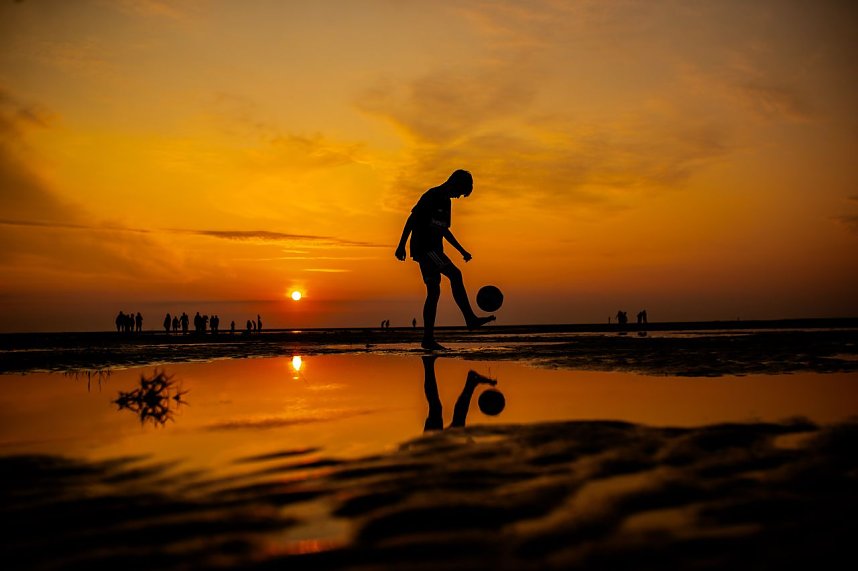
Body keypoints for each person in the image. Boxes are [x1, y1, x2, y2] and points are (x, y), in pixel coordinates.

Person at [395, 169, 495, 350]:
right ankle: (470, 319)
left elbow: (443, 230)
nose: (458, 197)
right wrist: (401, 245)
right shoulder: (432, 196)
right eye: (460, 192)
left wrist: (462, 250)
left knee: (433, 292)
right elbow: (412, 219)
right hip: (425, 249)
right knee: (455, 275)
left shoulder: (447, 203)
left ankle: (427, 339)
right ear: (454, 184)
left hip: (433, 250)